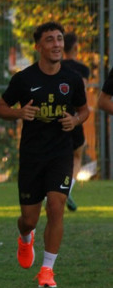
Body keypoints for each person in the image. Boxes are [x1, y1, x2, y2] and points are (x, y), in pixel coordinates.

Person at [0, 22, 89, 288]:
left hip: (60, 154)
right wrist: (18, 113)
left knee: (57, 205)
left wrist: (76, 120)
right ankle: (25, 238)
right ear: (38, 46)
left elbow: (85, 110)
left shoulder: (71, 79)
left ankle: (47, 270)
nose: (57, 44)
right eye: (50, 40)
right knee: (29, 219)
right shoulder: (23, 79)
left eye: (59, 39)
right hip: (32, 156)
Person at [60, 32, 91, 212]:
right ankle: (67, 189)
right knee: (77, 154)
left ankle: (53, 189)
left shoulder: (56, 66)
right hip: (75, 115)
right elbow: (83, 92)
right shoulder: (82, 69)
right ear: (76, 47)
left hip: (56, 114)